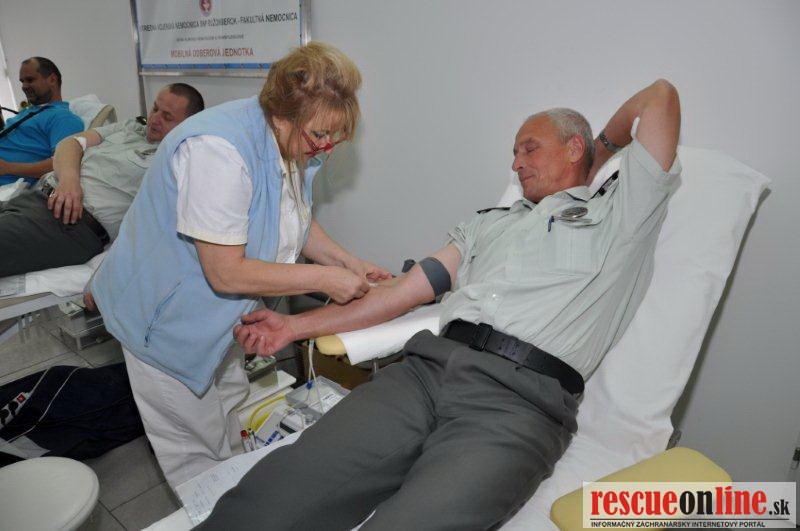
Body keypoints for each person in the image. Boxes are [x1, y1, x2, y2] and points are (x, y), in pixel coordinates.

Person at [198, 79, 682, 530]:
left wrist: (602, 152)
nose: (516, 163)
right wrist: (292, 327)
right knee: (277, 492)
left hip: (518, 407)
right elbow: (400, 294)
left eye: (530, 148)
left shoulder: (620, 217)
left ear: (574, 148)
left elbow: (660, 96)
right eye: (514, 153)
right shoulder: (488, 223)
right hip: (423, 375)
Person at [87, 42, 391, 490]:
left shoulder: (285, 140)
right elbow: (225, 271)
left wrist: (349, 262)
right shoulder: (217, 151)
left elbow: (293, 218)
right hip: (165, 323)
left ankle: (232, 489)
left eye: (335, 137)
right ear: (282, 116)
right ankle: (214, 506)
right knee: (196, 454)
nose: (326, 147)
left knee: (228, 407)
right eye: (319, 136)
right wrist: (326, 278)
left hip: (221, 316)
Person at [0, 83, 203, 278]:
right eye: (155, 109)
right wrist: (69, 182)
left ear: (188, 125)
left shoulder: (175, 162)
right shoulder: (133, 126)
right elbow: (70, 143)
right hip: (37, 196)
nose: (155, 119)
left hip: (69, 223)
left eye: (167, 117)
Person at [0, 57, 84, 186]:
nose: (24, 86)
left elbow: (63, 163)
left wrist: (8, 168)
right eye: (22, 81)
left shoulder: (63, 118)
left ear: (52, 79)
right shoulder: (27, 113)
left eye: (30, 80)